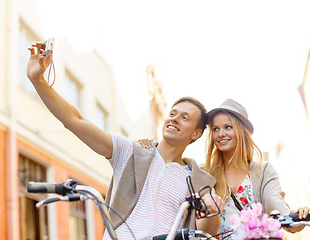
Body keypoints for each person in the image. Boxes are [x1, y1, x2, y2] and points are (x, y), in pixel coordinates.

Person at [26, 42, 224, 239]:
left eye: (184, 117)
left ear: (196, 133)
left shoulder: (196, 180)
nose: (174, 118)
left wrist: (211, 210)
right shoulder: (130, 152)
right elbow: (75, 121)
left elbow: (206, 232)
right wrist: (38, 81)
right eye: (172, 113)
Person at [205, 99, 310, 237]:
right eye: (216, 129)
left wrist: (295, 216)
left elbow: (274, 200)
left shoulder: (263, 171)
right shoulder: (205, 173)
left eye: (228, 127)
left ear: (241, 130)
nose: (220, 134)